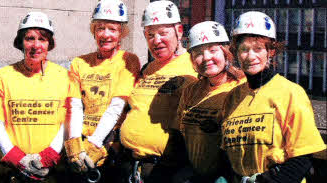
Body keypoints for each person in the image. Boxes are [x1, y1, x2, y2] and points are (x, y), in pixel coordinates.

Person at [220, 11, 326, 183]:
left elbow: (303, 157)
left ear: (271, 51)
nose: (251, 56)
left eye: (258, 48)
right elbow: (228, 153)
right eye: (244, 49)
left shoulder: (291, 93)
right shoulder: (232, 98)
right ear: (236, 53)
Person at [0, 12, 68, 182]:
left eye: (42, 39)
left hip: (50, 170)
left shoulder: (64, 77)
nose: (36, 45)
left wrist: (48, 156)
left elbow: (67, 121)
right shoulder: (3, 76)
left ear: (49, 43)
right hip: (10, 169)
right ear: (21, 42)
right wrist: (18, 158)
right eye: (30, 38)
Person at [119, 1, 198, 182]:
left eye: (163, 33)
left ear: (179, 31)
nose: (156, 40)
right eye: (150, 34)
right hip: (130, 166)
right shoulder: (147, 68)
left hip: (166, 170)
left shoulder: (194, 65)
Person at [63, 0, 140, 182]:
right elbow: (74, 106)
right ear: (93, 31)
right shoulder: (79, 63)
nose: (105, 35)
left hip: (110, 145)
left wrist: (95, 143)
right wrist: (75, 145)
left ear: (121, 33)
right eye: (100, 28)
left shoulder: (128, 60)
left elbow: (117, 107)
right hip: (83, 143)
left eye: (112, 29)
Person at [175, 21, 246, 183]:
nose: (206, 58)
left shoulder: (241, 87)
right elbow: (180, 135)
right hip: (194, 174)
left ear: (225, 52)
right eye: (198, 53)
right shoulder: (191, 91)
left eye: (213, 50)